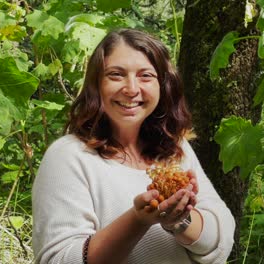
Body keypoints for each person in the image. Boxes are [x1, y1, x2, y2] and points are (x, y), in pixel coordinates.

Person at [32, 28, 235, 264]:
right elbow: (60, 259)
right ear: (96, 84)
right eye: (116, 75)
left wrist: (179, 221)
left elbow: (222, 241)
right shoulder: (69, 157)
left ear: (163, 85)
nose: (131, 89)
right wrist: (138, 220)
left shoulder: (174, 148)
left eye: (145, 76)